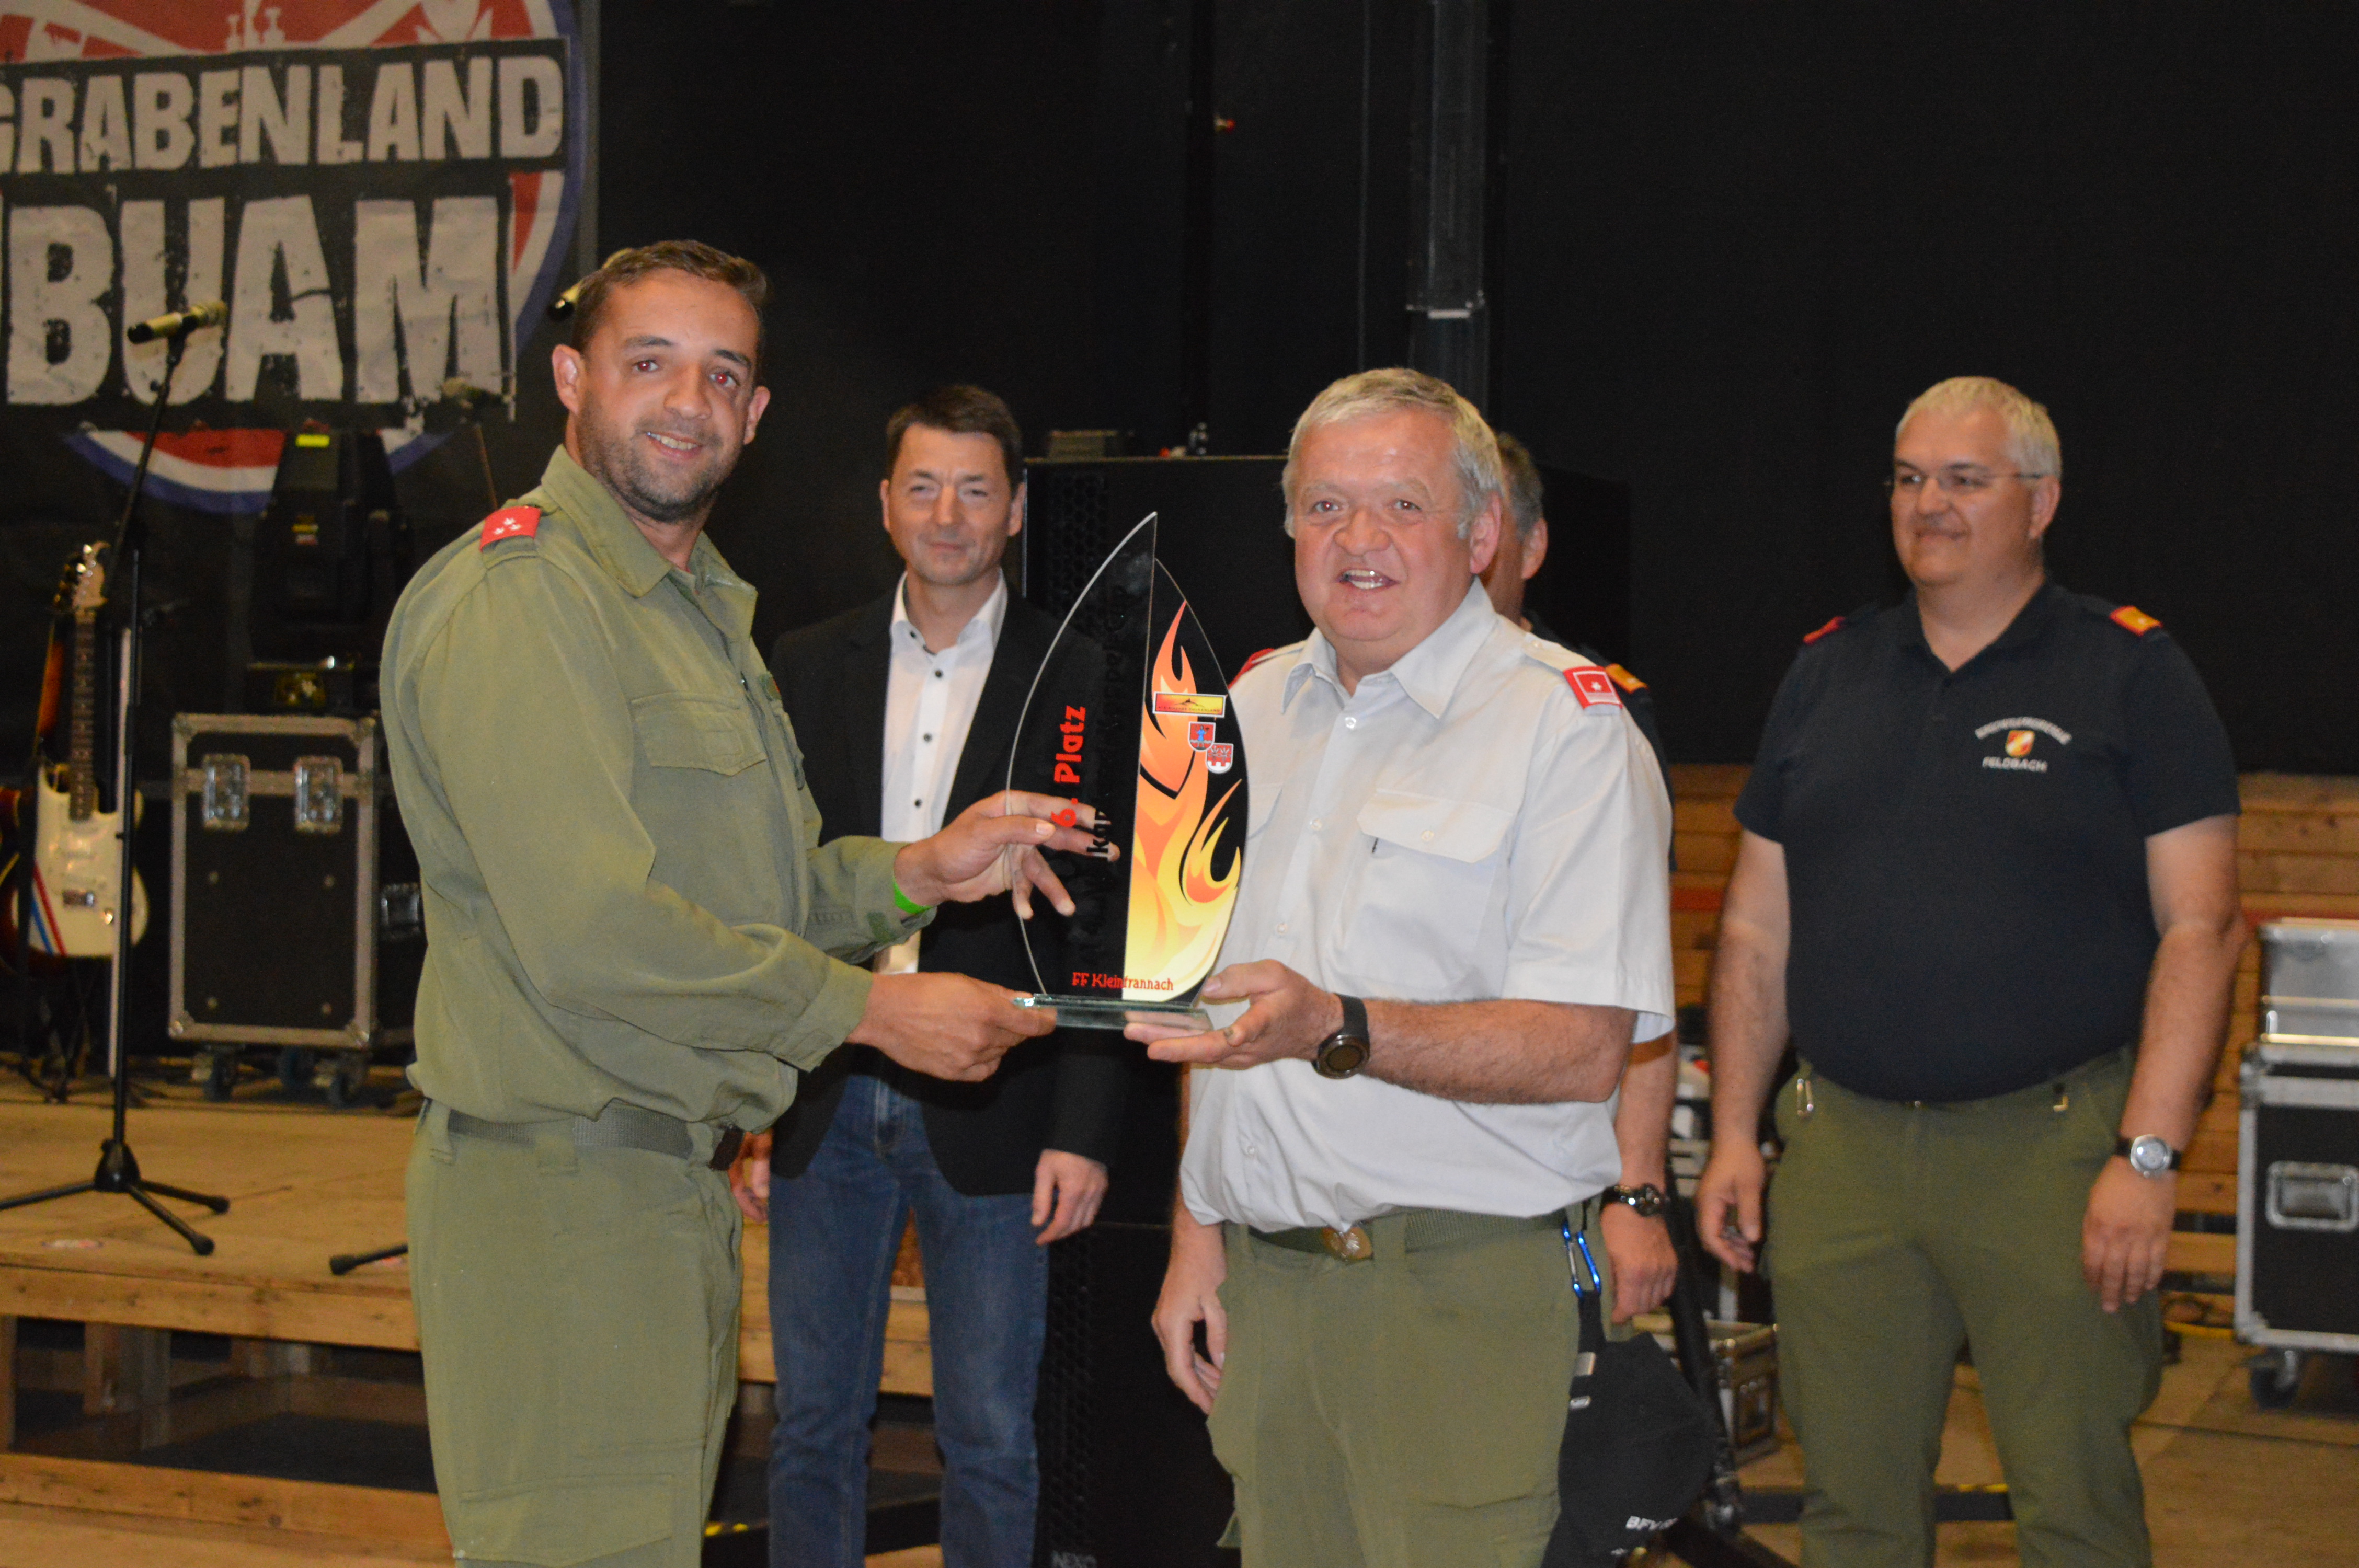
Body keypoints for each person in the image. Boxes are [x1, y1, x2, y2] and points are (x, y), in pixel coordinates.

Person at [381, 241, 1102, 1568]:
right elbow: (595, 931)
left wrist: (917, 870)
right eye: (649, 362)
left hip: (657, 1189)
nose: (687, 402)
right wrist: (871, 1012)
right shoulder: (526, 601)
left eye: (723, 374)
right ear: (571, 379)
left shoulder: (691, 609)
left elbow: (744, 895)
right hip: (564, 1193)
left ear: (757, 413)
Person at [1695, 376, 2246, 1568]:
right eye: (1908, 479)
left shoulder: (2130, 672)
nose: (1928, 505)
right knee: (1849, 1511)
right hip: (1841, 1152)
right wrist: (1734, 1130)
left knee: (2073, 1510)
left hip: (2053, 1153)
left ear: (2040, 503)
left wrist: (2149, 1155)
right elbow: (1754, 933)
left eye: (1964, 480)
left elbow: (2203, 929)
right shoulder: (1827, 671)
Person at [1142, 367, 1675, 1566]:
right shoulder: (1244, 711)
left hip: (1457, 1291)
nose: (1359, 540)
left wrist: (1340, 1025)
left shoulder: (1569, 729)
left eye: (1401, 505)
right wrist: (1196, 1233)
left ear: (1481, 536)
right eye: (1326, 507)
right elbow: (1213, 1017)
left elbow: (1585, 1050)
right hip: (1269, 1288)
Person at [728, 385, 1127, 1568]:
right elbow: (769, 890)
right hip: (827, 1083)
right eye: (923, 488)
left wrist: (1085, 1127)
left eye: (975, 490)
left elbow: (1103, 918)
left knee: (991, 1435)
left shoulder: (1082, 674)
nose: (948, 515)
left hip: (1000, 1102)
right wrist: (755, 1106)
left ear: (1015, 511)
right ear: (885, 506)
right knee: (811, 1427)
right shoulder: (803, 663)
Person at [1487, 430, 1681, 1326]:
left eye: (1484, 524)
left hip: (1548, 1167)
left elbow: (1640, 969)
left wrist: (1636, 1192)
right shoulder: (1315, 697)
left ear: (1531, 547)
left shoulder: (1597, 711)